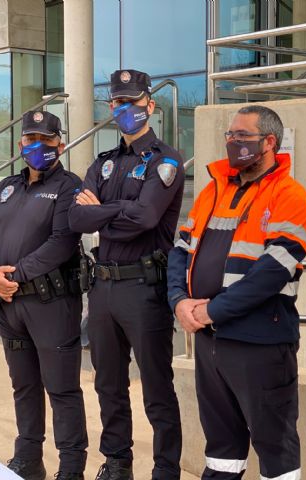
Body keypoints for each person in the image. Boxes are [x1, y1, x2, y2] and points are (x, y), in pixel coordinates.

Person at [167, 104, 306, 480]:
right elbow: (180, 252)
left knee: (275, 446)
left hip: (260, 343)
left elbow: (269, 275)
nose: (232, 142)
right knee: (220, 447)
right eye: (229, 136)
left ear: (269, 142)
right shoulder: (210, 192)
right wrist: (179, 301)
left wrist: (209, 312)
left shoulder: (291, 197)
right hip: (210, 342)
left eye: (242, 136)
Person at [68, 69, 185, 480]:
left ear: (149, 105)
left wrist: (103, 211)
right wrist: (119, 212)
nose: (124, 109)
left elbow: (149, 216)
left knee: (156, 387)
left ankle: (166, 468)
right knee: (108, 384)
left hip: (144, 288)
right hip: (103, 288)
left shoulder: (166, 161)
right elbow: (76, 217)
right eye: (117, 103)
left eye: (132, 102)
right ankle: (117, 462)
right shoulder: (102, 164)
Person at [0, 110, 87, 480]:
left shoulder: (69, 186)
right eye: (30, 140)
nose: (38, 146)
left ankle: (70, 467)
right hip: (9, 305)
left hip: (51, 304)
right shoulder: (6, 187)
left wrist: (13, 276)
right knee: (23, 385)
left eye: (47, 140)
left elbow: (62, 242)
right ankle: (28, 459)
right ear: (20, 143)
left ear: (61, 144)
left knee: (61, 389)